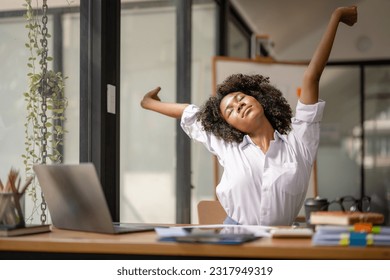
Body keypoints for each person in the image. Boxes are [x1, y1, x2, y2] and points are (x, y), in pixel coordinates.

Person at [140, 6, 358, 226]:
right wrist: (149, 103)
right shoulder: (227, 145)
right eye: (230, 111)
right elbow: (189, 112)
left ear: (258, 99)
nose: (239, 105)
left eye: (240, 98)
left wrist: (335, 17)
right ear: (230, 125)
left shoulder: (299, 141)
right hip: (234, 241)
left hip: (279, 244)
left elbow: (311, 77)